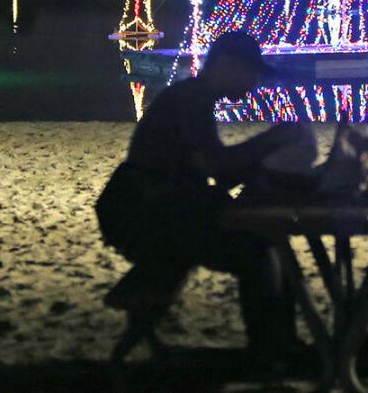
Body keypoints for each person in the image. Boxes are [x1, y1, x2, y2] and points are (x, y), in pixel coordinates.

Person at [95, 30, 308, 366]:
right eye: (250, 73)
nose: (254, 84)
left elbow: (218, 170)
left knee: (264, 241)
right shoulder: (191, 99)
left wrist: (264, 161)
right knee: (259, 249)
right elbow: (216, 165)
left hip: (153, 206)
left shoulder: (192, 97)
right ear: (226, 64)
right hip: (147, 213)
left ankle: (279, 344)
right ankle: (273, 348)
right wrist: (271, 141)